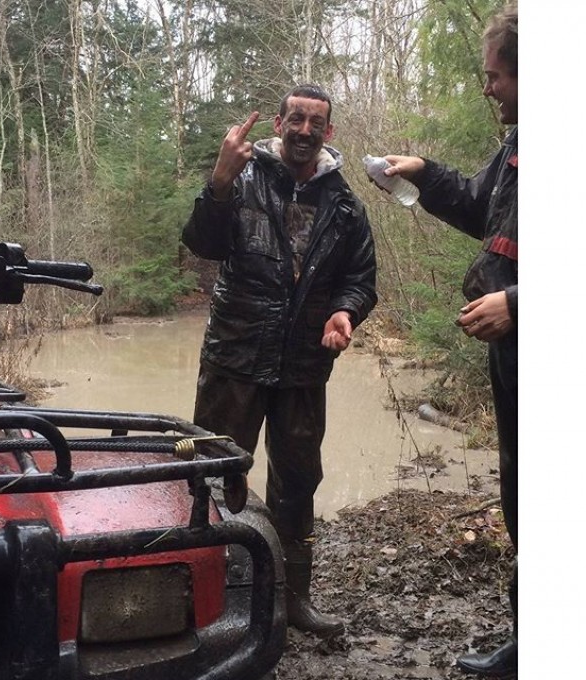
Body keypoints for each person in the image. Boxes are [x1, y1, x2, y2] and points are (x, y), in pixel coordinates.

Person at [182, 84, 377, 637]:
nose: (305, 130)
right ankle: (210, 599)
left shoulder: (345, 205)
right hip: (236, 357)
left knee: (297, 482)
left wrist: (345, 311)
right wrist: (218, 179)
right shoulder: (241, 179)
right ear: (280, 122)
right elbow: (202, 244)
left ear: (329, 132)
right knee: (216, 477)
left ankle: (293, 601)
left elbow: (360, 280)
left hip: (303, 367)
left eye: (317, 122)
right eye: (297, 119)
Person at [378, 4, 518, 677]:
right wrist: (423, 172)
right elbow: (473, 202)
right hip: (515, 357)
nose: (487, 88)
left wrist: (522, 303)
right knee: (525, 492)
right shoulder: (522, 147)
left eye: (495, 76)